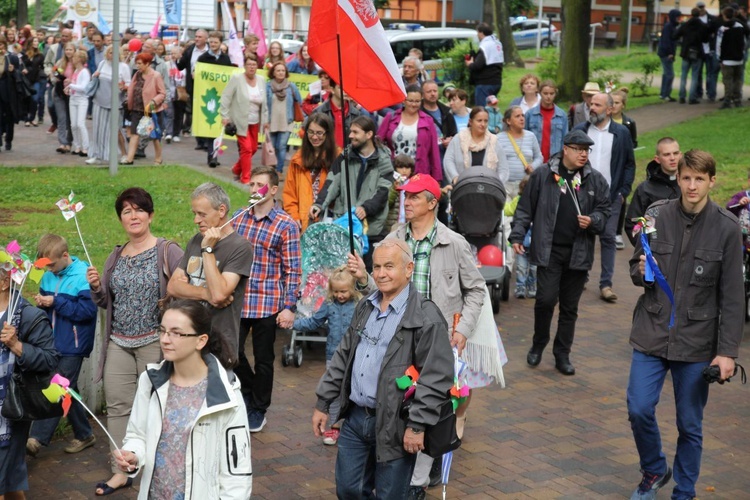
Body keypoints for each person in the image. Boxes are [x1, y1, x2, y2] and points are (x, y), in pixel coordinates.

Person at [346, 174, 489, 498]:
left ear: (432, 203)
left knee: (434, 401)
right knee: (399, 403)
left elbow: (477, 290)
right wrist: (364, 277)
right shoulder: (395, 238)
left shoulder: (453, 242)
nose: (406, 202)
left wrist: (462, 329)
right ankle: (397, 470)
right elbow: (381, 289)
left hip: (439, 338)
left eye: (413, 197)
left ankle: (421, 475)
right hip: (399, 339)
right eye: (405, 196)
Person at [626, 149, 743, 500]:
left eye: (700, 179)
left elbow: (733, 297)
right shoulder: (655, 215)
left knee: (689, 425)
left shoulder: (727, 227)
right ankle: (654, 469)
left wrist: (726, 352)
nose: (692, 186)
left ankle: (685, 491)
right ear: (678, 179)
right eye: (686, 178)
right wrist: (641, 271)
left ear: (712, 181)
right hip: (652, 330)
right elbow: (635, 265)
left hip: (696, 342)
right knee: (638, 408)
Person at [313, 239, 454, 499]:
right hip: (356, 418)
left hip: (396, 424)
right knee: (348, 490)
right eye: (376, 266)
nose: (380, 273)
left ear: (409, 268)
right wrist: (324, 402)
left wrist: (417, 425)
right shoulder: (365, 306)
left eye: (389, 266)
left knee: (390, 495)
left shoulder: (425, 317)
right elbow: (343, 357)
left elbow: (437, 377)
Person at [86, 187, 184, 496]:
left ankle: (158, 465)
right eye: (126, 211)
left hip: (156, 341)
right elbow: (106, 301)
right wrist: (95, 288)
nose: (133, 215)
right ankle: (122, 470)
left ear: (150, 215)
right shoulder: (116, 255)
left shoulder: (168, 250)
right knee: (118, 407)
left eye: (139, 209)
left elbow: (186, 291)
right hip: (119, 342)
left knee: (158, 407)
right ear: (121, 219)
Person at [114, 300, 253, 499]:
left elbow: (237, 473)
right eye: (162, 330)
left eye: (176, 333)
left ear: (201, 340)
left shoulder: (227, 395)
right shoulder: (151, 381)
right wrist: (133, 455)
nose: (165, 339)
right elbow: (137, 436)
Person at [511, 130, 611, 376]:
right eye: (579, 149)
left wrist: (594, 219)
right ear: (565, 149)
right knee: (545, 300)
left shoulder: (594, 180)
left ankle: (562, 353)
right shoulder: (544, 175)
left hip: (579, 252)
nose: (583, 154)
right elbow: (525, 207)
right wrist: (517, 234)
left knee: (569, 307)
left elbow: (605, 210)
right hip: (549, 250)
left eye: (587, 150)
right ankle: (538, 342)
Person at [232, 167, 301, 432]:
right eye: (251, 184)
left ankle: (259, 408)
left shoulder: (286, 224)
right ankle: (248, 391)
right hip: (239, 300)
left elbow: (293, 269)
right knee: (231, 352)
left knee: (263, 359)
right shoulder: (238, 218)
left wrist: (289, 306)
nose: (253, 190)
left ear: (273, 190)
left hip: (267, 302)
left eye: (260, 185)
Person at [167, 182, 254, 367]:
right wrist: (205, 293)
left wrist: (207, 250)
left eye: (202, 214)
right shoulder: (195, 240)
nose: (196, 220)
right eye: (194, 214)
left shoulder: (240, 247)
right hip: (187, 339)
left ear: (221, 210)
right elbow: (173, 286)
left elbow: (220, 294)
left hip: (218, 344)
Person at [26, 235, 97, 458]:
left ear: (65, 256)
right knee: (68, 388)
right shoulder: (47, 276)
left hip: (74, 344)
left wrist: (56, 302)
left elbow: (87, 312)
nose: (50, 271)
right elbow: (48, 312)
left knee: (58, 386)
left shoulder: (83, 276)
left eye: (53, 265)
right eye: (45, 267)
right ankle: (85, 434)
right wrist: (42, 305)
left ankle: (37, 439)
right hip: (51, 343)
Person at [0, 268, 59, 500]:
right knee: (11, 482)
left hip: (10, 411)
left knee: (6, 478)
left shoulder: (27, 316)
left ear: (5, 282)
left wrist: (16, 345)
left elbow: (50, 359)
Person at [573, 92, 636, 303]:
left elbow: (629, 163)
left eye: (597, 105)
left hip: (611, 195)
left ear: (609, 110)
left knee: (608, 237)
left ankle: (606, 284)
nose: (592, 108)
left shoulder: (621, 133)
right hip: (583, 193)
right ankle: (582, 276)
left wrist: (623, 191)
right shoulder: (581, 130)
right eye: (591, 104)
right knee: (584, 235)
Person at [310, 116, 394, 270]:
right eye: (350, 131)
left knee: (367, 276)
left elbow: (384, 191)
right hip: (344, 226)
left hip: (371, 229)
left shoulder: (383, 159)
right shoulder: (345, 156)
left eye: (355, 132)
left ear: (369, 135)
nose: (350, 136)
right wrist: (320, 203)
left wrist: (366, 208)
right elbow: (332, 181)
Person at [293, 267, 360, 446]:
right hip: (333, 355)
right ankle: (335, 426)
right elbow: (315, 321)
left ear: (352, 288)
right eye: (336, 291)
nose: (340, 295)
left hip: (355, 355)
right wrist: (293, 323)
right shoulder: (329, 304)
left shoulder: (359, 305)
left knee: (354, 390)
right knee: (335, 391)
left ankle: (352, 427)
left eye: (344, 291)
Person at [283, 113, 340, 232]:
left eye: (319, 133)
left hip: (329, 222)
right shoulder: (297, 159)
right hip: (303, 223)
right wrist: (294, 216)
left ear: (327, 134)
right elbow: (289, 193)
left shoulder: (338, 158)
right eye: (311, 132)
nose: (314, 137)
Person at [220, 54, 268, 185]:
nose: (252, 67)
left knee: (253, 149)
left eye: (254, 65)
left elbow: (264, 103)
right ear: (244, 66)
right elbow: (226, 97)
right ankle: (245, 178)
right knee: (246, 148)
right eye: (249, 65)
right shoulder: (237, 79)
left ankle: (236, 168)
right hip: (240, 120)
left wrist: (266, 120)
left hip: (255, 121)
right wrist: (225, 116)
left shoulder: (261, 80)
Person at [377, 84, 442, 182]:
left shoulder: (428, 121)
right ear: (404, 100)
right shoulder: (390, 117)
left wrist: (437, 179)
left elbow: (434, 152)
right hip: (393, 174)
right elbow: (378, 143)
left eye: (417, 101)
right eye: (410, 101)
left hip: (419, 174)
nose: (414, 104)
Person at [625, 138, 682, 245]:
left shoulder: (690, 185)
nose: (672, 158)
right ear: (657, 159)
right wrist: (650, 248)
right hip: (657, 254)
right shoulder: (645, 189)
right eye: (666, 155)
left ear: (681, 155)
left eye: (675, 153)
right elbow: (633, 224)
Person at [443, 106, 511, 186]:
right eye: (479, 121)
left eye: (486, 121)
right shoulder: (458, 139)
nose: (483, 124)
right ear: (470, 122)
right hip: (462, 189)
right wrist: (455, 178)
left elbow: (504, 168)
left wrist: (496, 184)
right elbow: (448, 160)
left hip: (488, 191)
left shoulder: (494, 141)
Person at [87, 44, 132, 165]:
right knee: (98, 129)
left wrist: (124, 87)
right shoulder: (102, 64)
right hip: (99, 101)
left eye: (115, 53)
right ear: (107, 53)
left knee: (116, 130)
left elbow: (128, 85)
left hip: (115, 103)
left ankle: (124, 154)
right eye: (110, 52)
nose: (112, 55)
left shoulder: (123, 67)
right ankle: (96, 155)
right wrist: (94, 76)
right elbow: (95, 77)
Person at [197, 31, 233, 168]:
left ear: (220, 43)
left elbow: (228, 76)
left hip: (222, 96)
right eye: (211, 42)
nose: (213, 44)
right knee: (210, 125)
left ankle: (216, 154)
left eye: (215, 42)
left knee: (219, 128)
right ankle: (211, 156)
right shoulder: (203, 58)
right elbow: (199, 75)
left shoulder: (225, 59)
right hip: (208, 95)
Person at [123, 53, 166, 165]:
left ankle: (158, 158)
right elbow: (133, 88)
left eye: (140, 63)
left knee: (154, 136)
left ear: (147, 64)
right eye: (137, 63)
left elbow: (162, 93)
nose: (137, 66)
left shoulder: (155, 75)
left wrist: (153, 102)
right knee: (134, 134)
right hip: (136, 108)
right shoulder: (137, 74)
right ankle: (129, 158)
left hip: (149, 111)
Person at [610, 87, 638, 250]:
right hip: (608, 162)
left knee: (620, 196)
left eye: (617, 103)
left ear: (623, 105)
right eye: (612, 102)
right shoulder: (605, 121)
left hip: (622, 162)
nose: (614, 105)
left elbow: (634, 142)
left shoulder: (628, 123)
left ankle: (617, 232)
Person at [497, 105, 542, 198]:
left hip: (525, 185)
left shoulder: (531, 136)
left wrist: (532, 166)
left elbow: (539, 157)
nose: (522, 119)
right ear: (508, 121)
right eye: (517, 116)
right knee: (506, 212)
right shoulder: (498, 138)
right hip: (505, 185)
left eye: (522, 115)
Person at [266, 61, 302, 173]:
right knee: (271, 147)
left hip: (287, 121)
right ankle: (271, 169)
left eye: (283, 70)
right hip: (271, 121)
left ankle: (279, 170)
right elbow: (263, 104)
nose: (281, 73)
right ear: (273, 73)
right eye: (278, 70)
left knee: (281, 146)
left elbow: (300, 101)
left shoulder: (291, 87)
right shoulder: (267, 86)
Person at [505, 176, 536, 298]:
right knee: (521, 267)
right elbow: (508, 210)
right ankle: (520, 287)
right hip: (522, 242)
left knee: (534, 268)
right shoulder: (519, 200)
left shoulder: (541, 201)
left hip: (535, 242)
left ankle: (532, 286)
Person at [525, 79, 568, 163]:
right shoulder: (530, 114)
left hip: (555, 160)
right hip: (534, 160)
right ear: (540, 93)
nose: (548, 96)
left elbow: (565, 140)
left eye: (551, 93)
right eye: (545, 93)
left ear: (555, 94)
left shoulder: (562, 115)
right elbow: (525, 137)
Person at [674, 8, 710, 105]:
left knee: (684, 75)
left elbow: (675, 35)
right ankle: (692, 97)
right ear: (699, 15)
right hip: (697, 52)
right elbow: (706, 40)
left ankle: (682, 96)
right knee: (695, 76)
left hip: (686, 51)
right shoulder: (703, 26)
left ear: (691, 14)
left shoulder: (686, 24)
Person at [312, 80, 362, 148]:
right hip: (325, 155)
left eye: (347, 87)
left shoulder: (356, 114)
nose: (345, 90)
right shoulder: (319, 112)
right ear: (332, 89)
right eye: (340, 87)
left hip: (347, 155)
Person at [466, 22, 504, 106]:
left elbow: (478, 65)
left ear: (481, 33)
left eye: (477, 33)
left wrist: (470, 64)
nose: (477, 35)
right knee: (491, 109)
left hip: (485, 83)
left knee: (481, 111)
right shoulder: (497, 43)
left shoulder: (485, 45)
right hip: (496, 82)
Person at [717, 6, 747, 109]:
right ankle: (737, 99)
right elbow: (743, 42)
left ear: (725, 16)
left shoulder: (722, 28)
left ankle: (727, 100)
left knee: (727, 80)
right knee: (738, 80)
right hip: (738, 58)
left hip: (727, 59)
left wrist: (720, 58)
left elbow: (719, 45)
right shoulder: (740, 27)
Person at [64, 49, 91, 157]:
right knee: (73, 125)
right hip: (73, 98)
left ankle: (86, 147)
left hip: (82, 100)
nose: (73, 59)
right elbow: (75, 85)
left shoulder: (85, 72)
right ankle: (77, 146)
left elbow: (84, 88)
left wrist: (70, 85)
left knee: (80, 123)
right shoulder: (75, 71)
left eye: (75, 57)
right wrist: (69, 89)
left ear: (80, 59)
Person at [51, 41, 76, 154]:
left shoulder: (77, 63)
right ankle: (62, 143)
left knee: (70, 120)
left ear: (74, 51)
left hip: (72, 94)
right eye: (67, 49)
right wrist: (56, 77)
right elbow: (53, 73)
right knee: (61, 118)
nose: (68, 52)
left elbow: (82, 76)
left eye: (71, 49)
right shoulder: (60, 62)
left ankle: (69, 142)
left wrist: (72, 81)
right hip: (59, 92)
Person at [0, 37, 21, 151]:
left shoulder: (12, 57)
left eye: (1, 44)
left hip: (8, 91)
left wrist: (13, 71)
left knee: (9, 116)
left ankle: (8, 140)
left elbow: (18, 75)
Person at [657, 9, 682, 102]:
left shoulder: (671, 26)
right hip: (666, 53)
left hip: (665, 52)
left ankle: (663, 93)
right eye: (677, 17)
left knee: (666, 73)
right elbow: (667, 41)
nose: (679, 19)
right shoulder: (669, 27)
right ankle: (666, 94)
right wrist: (670, 53)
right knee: (669, 74)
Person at [386, 154, 415, 231]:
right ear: (395, 168)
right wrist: (394, 189)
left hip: (409, 223)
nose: (404, 170)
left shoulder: (414, 183)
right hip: (393, 223)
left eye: (407, 167)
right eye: (401, 167)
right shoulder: (390, 183)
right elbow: (388, 203)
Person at [20, 37, 45, 127]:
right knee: (26, 98)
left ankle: (32, 118)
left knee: (35, 99)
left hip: (36, 79)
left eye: (37, 41)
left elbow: (42, 67)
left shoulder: (40, 55)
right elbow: (21, 65)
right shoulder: (24, 54)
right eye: (34, 41)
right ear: (30, 43)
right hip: (26, 79)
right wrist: (24, 69)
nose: (36, 42)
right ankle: (26, 118)